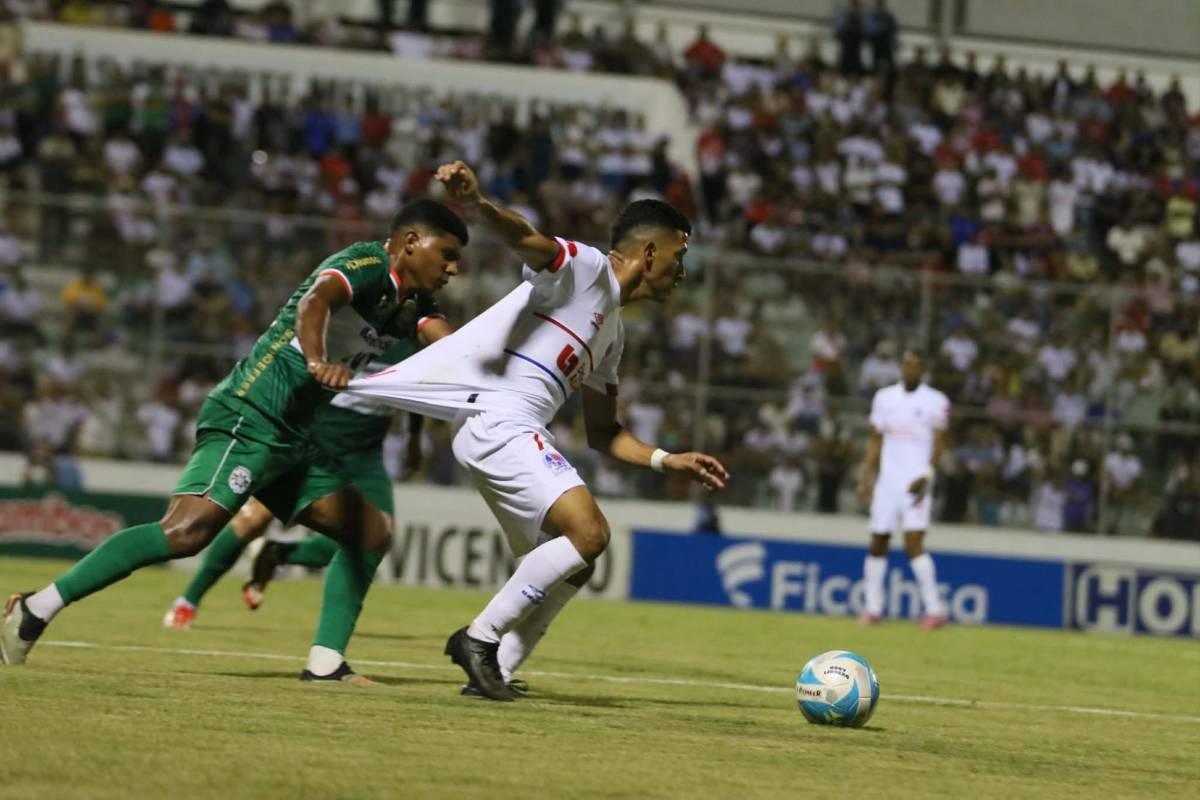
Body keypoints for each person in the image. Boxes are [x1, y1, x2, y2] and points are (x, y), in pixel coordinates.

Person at [2, 201, 466, 685]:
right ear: (410, 243)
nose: (453, 269)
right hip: (252, 411)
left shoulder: (414, 303)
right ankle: (36, 608)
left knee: (370, 532)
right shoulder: (364, 263)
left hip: (294, 435)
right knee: (185, 532)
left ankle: (326, 663)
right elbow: (315, 302)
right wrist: (314, 360)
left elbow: (453, 349)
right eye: (448, 254)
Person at [345, 161, 730, 700]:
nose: (682, 271)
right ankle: (478, 638)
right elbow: (528, 240)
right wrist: (477, 204)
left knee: (576, 565)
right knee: (590, 534)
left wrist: (668, 459)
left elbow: (605, 433)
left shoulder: (612, 335)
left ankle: (495, 669)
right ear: (649, 252)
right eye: (679, 256)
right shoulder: (587, 269)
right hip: (498, 419)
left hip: (502, 428)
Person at [162, 340, 437, 629]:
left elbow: (415, 385)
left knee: (377, 534)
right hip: (314, 440)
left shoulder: (415, 340)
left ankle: (277, 554)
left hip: (364, 455)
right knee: (253, 520)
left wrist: (414, 436)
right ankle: (188, 600)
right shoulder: (355, 325)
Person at [856, 350, 950, 629]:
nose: (911, 370)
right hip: (888, 482)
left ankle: (934, 610)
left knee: (914, 542)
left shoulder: (936, 400)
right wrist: (865, 475)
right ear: (901, 367)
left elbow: (939, 443)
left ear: (923, 370)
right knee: (878, 541)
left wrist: (928, 475)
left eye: (916, 366)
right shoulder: (884, 398)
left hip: (916, 483)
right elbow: (875, 440)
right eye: (907, 365)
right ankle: (873, 608)